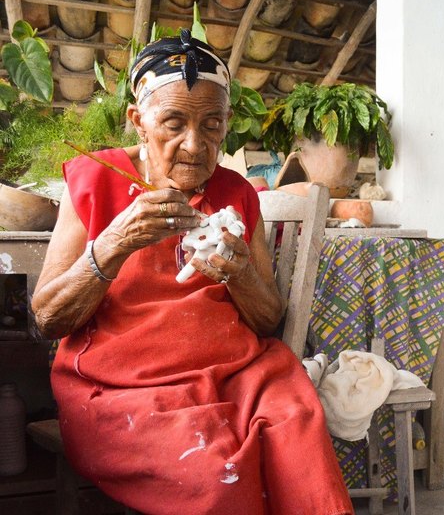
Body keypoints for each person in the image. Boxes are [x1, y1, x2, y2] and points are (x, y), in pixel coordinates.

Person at [31, 30, 352, 515]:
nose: (194, 145)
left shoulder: (237, 194)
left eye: (212, 125)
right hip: (124, 390)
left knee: (298, 437)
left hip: (238, 373)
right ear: (138, 122)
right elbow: (48, 318)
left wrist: (240, 270)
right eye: (174, 123)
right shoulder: (96, 180)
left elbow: (267, 320)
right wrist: (115, 243)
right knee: (213, 476)